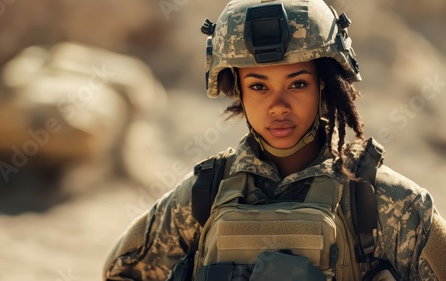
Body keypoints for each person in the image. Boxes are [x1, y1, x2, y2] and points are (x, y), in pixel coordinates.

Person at [103, 0, 446, 280]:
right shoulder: (202, 196)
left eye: (297, 84)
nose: (278, 106)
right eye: (258, 86)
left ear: (323, 84)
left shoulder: (387, 203)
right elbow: (120, 272)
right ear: (236, 90)